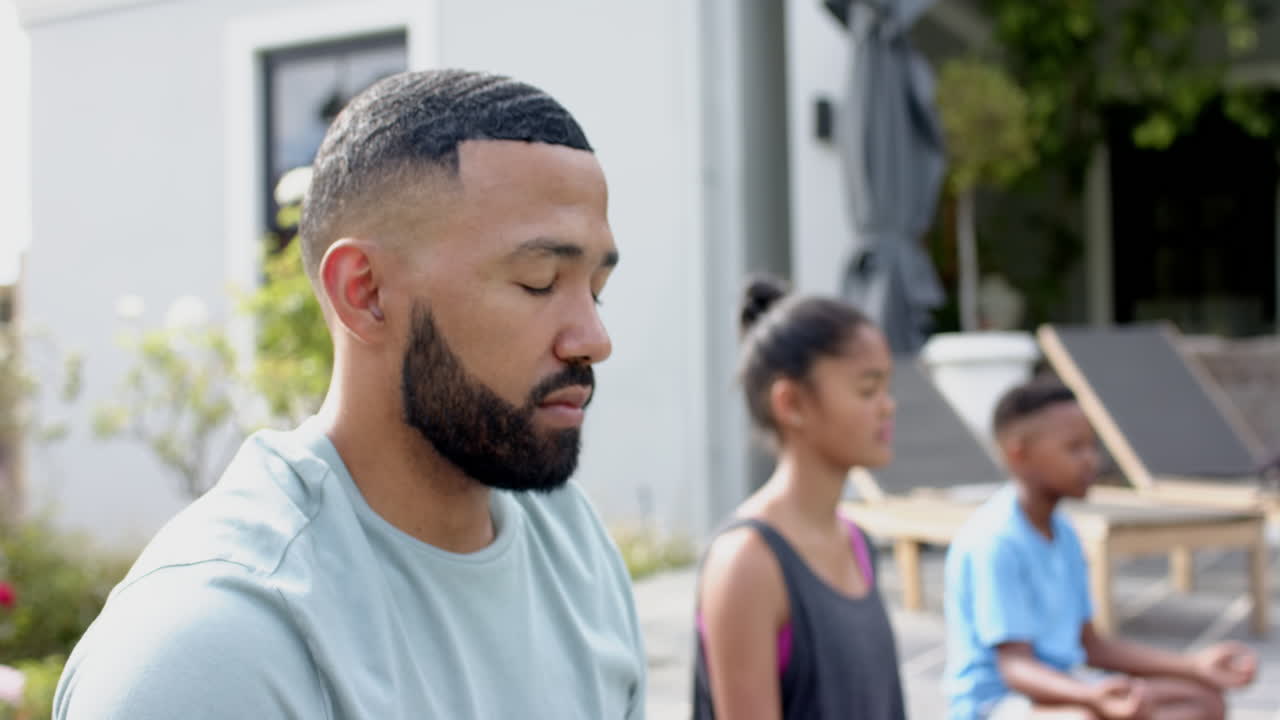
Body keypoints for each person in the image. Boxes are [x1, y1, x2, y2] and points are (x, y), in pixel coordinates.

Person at [54, 69, 646, 719]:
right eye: (538, 280)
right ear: (363, 293)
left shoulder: (572, 547)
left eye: (595, 287)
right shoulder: (207, 649)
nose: (594, 338)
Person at [944, 379, 1258, 720]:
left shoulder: (1063, 532)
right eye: (1074, 448)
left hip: (1067, 683)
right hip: (1000, 702)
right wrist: (1090, 697)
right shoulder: (995, 541)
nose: (1091, 460)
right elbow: (1015, 666)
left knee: (1203, 700)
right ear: (1019, 453)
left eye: (1092, 446)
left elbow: (1091, 645)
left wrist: (1194, 667)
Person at [692, 276, 906, 719]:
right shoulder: (747, 563)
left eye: (886, 388)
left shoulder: (857, 542)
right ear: (791, 403)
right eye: (867, 389)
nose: (888, 407)